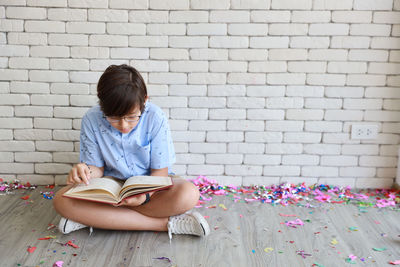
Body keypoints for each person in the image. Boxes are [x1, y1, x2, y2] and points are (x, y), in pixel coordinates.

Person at [53, 64, 210, 239]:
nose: (123, 125)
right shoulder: (92, 118)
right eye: (113, 117)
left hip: (152, 187)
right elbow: (96, 169)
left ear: (144, 100)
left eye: (131, 117)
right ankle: (166, 224)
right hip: (110, 187)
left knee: (188, 194)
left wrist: (144, 196)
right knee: (61, 199)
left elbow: (160, 172)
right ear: (101, 104)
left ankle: (94, 218)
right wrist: (84, 172)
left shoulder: (155, 117)